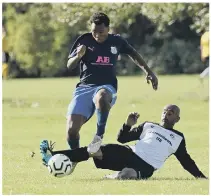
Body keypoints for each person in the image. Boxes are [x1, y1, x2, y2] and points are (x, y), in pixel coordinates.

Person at [65, 12, 158, 159]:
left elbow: (133, 54)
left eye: (100, 32)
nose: (96, 35)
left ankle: (98, 137)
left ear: (108, 29)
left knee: (102, 97)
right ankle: (75, 157)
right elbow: (69, 66)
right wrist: (78, 56)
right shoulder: (84, 40)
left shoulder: (117, 41)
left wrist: (149, 71)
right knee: (71, 130)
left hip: (107, 86)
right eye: (94, 31)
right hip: (84, 88)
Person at [40, 104, 207, 180]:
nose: (166, 114)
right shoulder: (148, 125)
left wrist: (201, 177)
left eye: (171, 113)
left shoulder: (178, 138)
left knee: (127, 174)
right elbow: (122, 139)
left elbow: (186, 161)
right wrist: (128, 125)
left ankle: (113, 177)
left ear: (177, 118)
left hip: (146, 166)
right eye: (165, 111)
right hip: (130, 152)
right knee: (94, 149)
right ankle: (53, 156)